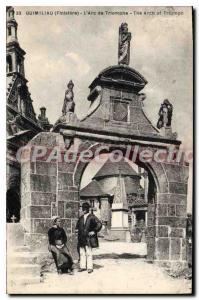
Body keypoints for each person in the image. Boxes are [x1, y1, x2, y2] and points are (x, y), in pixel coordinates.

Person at [75, 202, 102, 274]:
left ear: (88, 209)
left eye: (85, 208)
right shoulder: (81, 218)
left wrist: (94, 231)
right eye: (83, 208)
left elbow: (99, 224)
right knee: (82, 253)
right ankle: (82, 267)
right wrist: (77, 230)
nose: (84, 210)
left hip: (88, 238)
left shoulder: (92, 217)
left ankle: (90, 268)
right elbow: (77, 226)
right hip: (81, 238)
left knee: (89, 252)